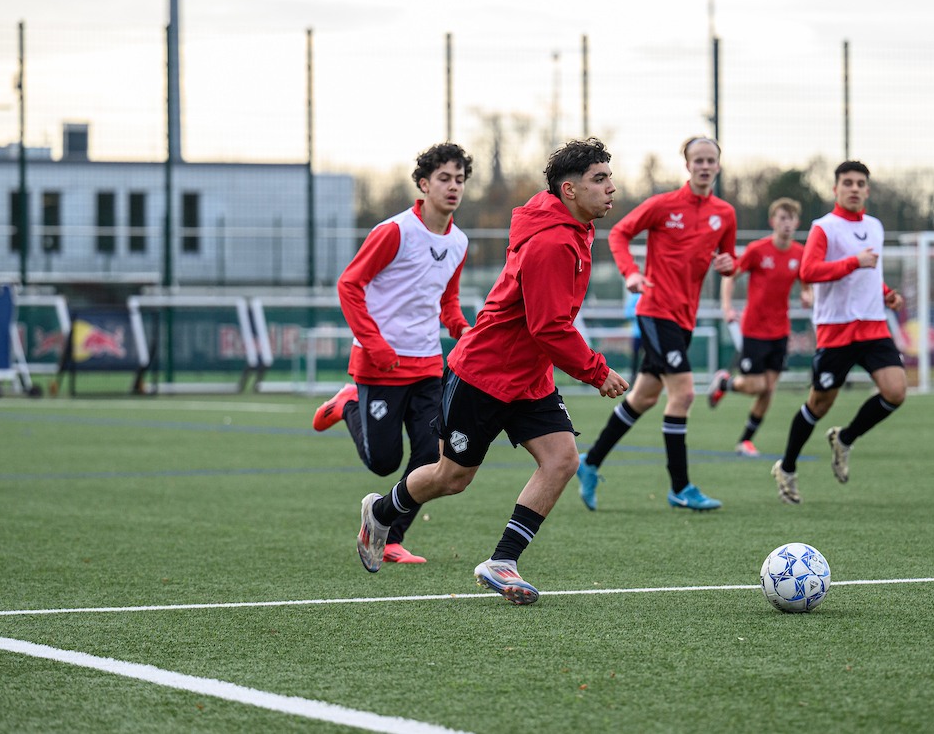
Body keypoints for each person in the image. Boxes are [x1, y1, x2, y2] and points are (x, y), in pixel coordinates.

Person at [355, 138, 628, 605]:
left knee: (562, 459)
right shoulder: (552, 241)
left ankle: (502, 561)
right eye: (599, 179)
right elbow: (549, 327)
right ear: (568, 190)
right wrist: (595, 370)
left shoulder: (574, 229)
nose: (611, 188)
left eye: (608, 177)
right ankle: (380, 511)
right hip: (483, 375)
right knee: (451, 478)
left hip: (529, 378)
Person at [313, 143, 473, 563]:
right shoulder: (394, 231)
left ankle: (390, 536)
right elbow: (349, 285)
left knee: (431, 458)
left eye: (459, 179)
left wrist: (463, 330)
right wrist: (376, 344)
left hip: (427, 366)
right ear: (423, 184)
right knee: (384, 464)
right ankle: (348, 402)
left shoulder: (459, 241)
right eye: (444, 178)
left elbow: (447, 302)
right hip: (380, 364)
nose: (453, 186)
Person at [576, 136, 737, 511]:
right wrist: (630, 273)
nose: (704, 165)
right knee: (684, 394)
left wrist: (733, 265)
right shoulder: (663, 205)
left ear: (718, 164)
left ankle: (591, 462)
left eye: (710, 159)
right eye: (697, 159)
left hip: (685, 318)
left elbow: (729, 260)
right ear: (687, 165)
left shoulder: (725, 214)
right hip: (655, 310)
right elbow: (619, 233)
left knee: (645, 397)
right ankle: (680, 487)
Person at [773, 160, 906, 504]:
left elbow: (869, 276)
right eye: (847, 182)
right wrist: (853, 262)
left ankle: (845, 439)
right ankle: (786, 468)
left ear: (867, 190)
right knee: (819, 404)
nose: (854, 188)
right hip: (836, 331)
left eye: (860, 183)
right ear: (835, 189)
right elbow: (809, 271)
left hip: (874, 325)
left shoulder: (875, 226)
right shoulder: (824, 227)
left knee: (896, 391)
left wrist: (886, 292)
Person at [708, 197, 812, 464]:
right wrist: (727, 306)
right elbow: (731, 274)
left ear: (797, 223)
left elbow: (807, 283)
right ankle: (724, 382)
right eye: (781, 218)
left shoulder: (800, 254)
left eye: (791, 218)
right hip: (754, 329)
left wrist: (807, 295)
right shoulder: (758, 249)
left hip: (780, 331)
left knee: (769, 390)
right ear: (772, 221)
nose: (786, 223)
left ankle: (745, 440)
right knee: (756, 386)